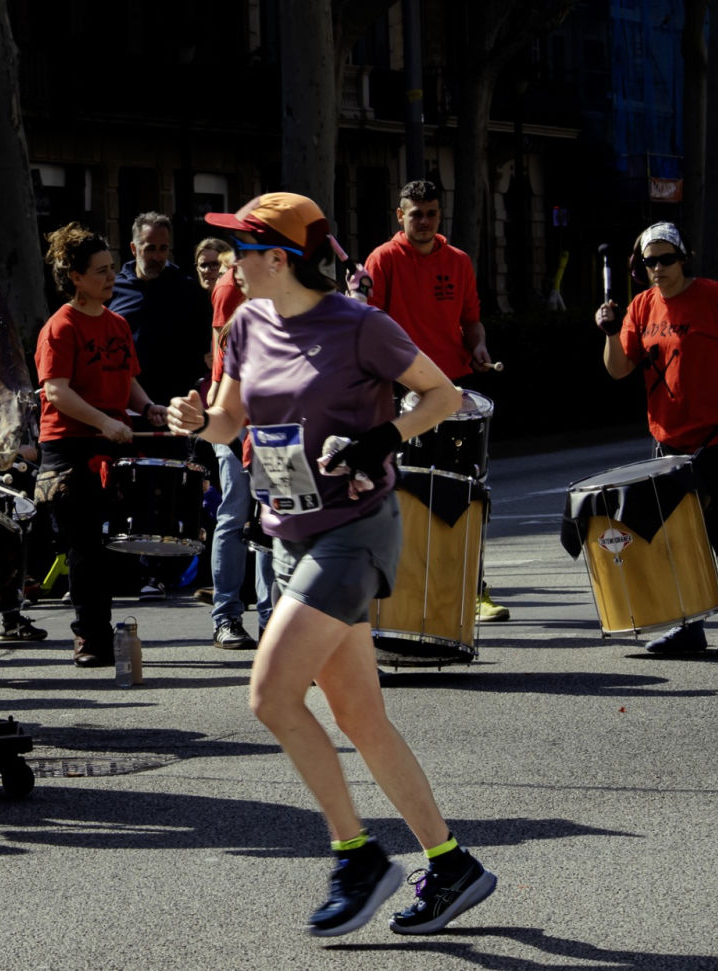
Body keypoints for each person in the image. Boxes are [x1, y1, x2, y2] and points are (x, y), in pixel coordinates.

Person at [167, 192, 497, 936]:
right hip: (289, 534)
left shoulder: (358, 326)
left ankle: (358, 855)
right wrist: (199, 423)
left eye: (239, 251)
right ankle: (451, 864)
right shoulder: (244, 324)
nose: (227, 263)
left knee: (271, 694)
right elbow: (230, 417)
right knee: (359, 715)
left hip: (356, 529)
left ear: (277, 258)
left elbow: (443, 394)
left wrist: (386, 437)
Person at [364, 179, 509, 623]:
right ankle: (400, 591)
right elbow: (370, 326)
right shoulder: (382, 260)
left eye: (430, 213)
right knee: (402, 493)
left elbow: (471, 321)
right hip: (401, 392)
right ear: (399, 215)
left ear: (439, 215)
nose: (423, 222)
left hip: (454, 389)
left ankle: (473, 589)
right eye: (415, 214)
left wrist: (478, 347)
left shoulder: (459, 261)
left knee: (468, 490)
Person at [595, 221, 718, 654]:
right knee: (674, 538)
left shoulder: (716, 298)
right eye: (648, 261)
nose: (657, 268)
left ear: (684, 257)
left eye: (666, 259)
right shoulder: (641, 306)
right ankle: (688, 624)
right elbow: (619, 368)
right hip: (668, 440)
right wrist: (608, 332)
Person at [37, 223, 168, 666]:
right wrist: (102, 423)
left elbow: (128, 380)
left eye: (113, 269)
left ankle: (99, 628)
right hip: (70, 446)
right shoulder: (60, 326)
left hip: (112, 443)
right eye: (100, 271)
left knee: (109, 544)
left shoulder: (117, 323)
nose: (111, 278)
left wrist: (149, 408)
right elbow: (56, 391)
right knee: (85, 546)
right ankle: (89, 637)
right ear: (75, 277)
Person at [110, 212, 212, 600]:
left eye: (163, 248)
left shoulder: (186, 290)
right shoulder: (114, 288)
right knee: (121, 491)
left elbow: (204, 348)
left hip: (170, 407)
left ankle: (158, 570)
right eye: (149, 247)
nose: (156, 255)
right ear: (134, 247)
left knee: (163, 491)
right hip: (122, 406)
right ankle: (121, 570)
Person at [203, 236, 257, 650]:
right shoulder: (230, 285)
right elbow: (222, 351)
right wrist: (221, 408)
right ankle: (226, 616)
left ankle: (276, 621)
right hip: (238, 414)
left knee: (275, 516)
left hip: (276, 414)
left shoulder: (283, 279)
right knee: (236, 512)